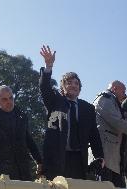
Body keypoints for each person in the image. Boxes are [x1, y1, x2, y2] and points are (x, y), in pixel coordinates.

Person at [39, 45, 104, 180]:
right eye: (69, 83)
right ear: (63, 87)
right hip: (56, 158)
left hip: (78, 160)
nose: (73, 85)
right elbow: (44, 87)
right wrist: (48, 66)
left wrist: (99, 156)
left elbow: (94, 134)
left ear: (80, 89)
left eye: (76, 83)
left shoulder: (88, 108)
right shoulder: (54, 101)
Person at [0, 85, 42, 180]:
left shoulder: (22, 117)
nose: (9, 101)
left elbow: (29, 141)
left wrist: (39, 161)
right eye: (4, 99)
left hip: (22, 172)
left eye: (11, 98)